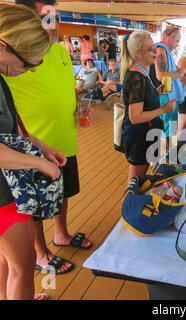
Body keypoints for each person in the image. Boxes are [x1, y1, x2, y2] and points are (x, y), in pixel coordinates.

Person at [6, 0, 94, 277]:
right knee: (32, 207)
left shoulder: (59, 51)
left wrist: (78, 103)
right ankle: (40, 254)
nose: (53, 26)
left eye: (54, 18)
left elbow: (66, 87)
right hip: (27, 146)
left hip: (62, 138)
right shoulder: (11, 55)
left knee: (61, 192)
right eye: (45, 19)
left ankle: (61, 235)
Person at [0, 2, 64, 300]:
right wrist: (38, 164)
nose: (31, 70)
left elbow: (9, 127)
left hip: (6, 188)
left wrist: (41, 146)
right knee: (23, 267)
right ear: (2, 47)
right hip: (4, 195)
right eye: (28, 63)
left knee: (6, 263)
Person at [120, 31, 177, 181]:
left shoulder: (142, 72)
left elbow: (142, 102)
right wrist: (164, 109)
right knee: (136, 182)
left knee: (141, 178)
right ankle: (131, 204)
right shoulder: (136, 77)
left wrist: (156, 93)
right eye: (151, 49)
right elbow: (135, 117)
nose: (155, 52)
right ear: (138, 53)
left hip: (145, 135)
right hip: (139, 138)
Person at [151, 25, 186, 151]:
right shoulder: (161, 51)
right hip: (166, 93)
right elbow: (161, 75)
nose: (177, 45)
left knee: (170, 126)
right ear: (170, 37)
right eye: (177, 41)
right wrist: (179, 73)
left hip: (167, 93)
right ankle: (170, 154)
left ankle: (169, 152)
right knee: (169, 126)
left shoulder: (164, 51)